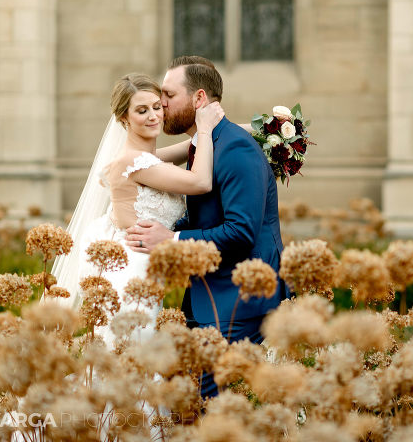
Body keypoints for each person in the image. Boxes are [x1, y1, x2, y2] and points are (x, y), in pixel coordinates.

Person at [125, 56, 290, 398]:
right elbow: (208, 216)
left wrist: (172, 238)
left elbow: (241, 231)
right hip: (208, 298)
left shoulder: (236, 151)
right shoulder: (207, 144)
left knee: (215, 410)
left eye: (168, 95)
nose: (161, 103)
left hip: (238, 302)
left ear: (199, 99)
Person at [50, 72, 224, 349]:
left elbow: (187, 148)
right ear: (123, 119)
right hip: (130, 271)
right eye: (142, 111)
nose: (154, 116)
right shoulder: (133, 162)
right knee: (132, 359)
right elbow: (201, 182)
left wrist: (265, 129)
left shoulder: (145, 159)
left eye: (157, 107)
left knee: (133, 362)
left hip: (146, 269)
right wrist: (203, 129)